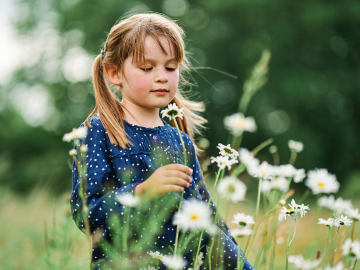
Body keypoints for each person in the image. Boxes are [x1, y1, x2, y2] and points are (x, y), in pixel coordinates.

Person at [70, 13, 254, 270]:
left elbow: (205, 213)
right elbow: (86, 214)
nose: (162, 77)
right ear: (114, 73)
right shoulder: (98, 131)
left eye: (170, 67)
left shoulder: (180, 141)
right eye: (147, 68)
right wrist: (143, 191)